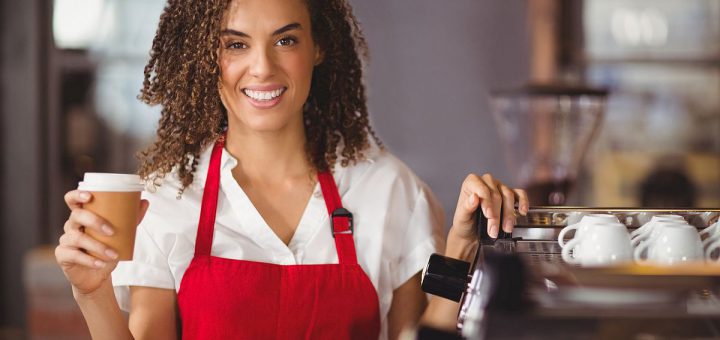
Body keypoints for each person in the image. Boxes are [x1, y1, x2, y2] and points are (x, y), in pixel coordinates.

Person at [54, 0, 529, 339]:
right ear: (206, 56)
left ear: (318, 46)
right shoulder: (166, 199)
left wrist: (461, 247)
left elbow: (422, 336)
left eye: (285, 39)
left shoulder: (387, 189)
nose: (262, 67)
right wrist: (92, 294)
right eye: (235, 45)